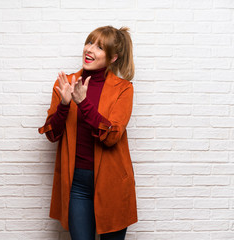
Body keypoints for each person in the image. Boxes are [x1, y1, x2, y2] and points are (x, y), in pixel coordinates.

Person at [38, 26, 137, 240]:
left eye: (99, 47)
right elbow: (52, 135)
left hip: (113, 183)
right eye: (89, 42)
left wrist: (83, 103)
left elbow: (112, 136)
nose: (89, 49)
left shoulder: (123, 89)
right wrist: (65, 105)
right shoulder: (66, 83)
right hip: (77, 185)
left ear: (113, 58)